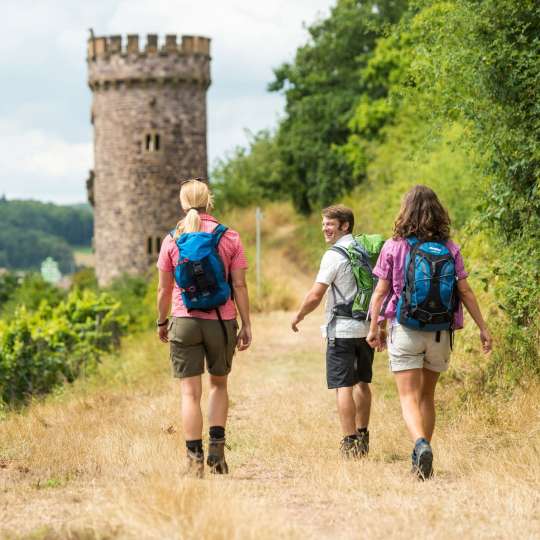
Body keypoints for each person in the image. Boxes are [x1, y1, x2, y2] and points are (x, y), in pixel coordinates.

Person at [367, 185, 492, 479]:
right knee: (427, 396)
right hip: (440, 333)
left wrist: (374, 327)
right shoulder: (450, 247)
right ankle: (423, 459)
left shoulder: (393, 246)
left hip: (406, 328)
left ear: (405, 211)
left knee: (408, 396)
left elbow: (380, 292)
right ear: (438, 212)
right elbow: (466, 291)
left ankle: (420, 445)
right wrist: (483, 328)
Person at [156, 178, 252, 477]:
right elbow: (239, 284)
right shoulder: (230, 237)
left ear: (182, 203)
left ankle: (194, 461)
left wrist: (162, 322)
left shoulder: (172, 239)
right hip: (221, 321)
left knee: (189, 394)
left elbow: (163, 289)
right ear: (209, 200)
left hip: (184, 321)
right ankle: (217, 454)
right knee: (219, 386)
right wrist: (246, 323)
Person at [291, 205, 378, 458]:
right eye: (323, 224)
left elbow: (316, 294)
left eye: (330, 224)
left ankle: (349, 442)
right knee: (363, 382)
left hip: (341, 329)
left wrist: (299, 315)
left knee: (344, 387)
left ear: (345, 226)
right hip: (365, 327)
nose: (324, 229)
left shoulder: (334, 255)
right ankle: (363, 436)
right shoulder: (365, 250)